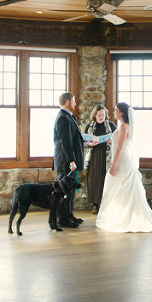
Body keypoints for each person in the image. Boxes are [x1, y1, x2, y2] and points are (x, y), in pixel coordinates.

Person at [95, 102, 152, 233]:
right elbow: (119, 142)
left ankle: (125, 219)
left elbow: (120, 147)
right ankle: (121, 215)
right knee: (120, 188)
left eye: (116, 110)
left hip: (123, 160)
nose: (114, 112)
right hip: (125, 159)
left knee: (121, 188)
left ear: (121, 113)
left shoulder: (123, 126)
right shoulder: (124, 126)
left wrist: (113, 164)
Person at [53, 91, 85, 228]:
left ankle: (69, 215)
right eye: (73, 100)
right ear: (67, 101)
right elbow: (65, 141)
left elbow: (74, 139)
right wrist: (71, 161)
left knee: (70, 190)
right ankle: (62, 219)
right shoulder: (62, 117)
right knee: (64, 190)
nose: (75, 103)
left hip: (70, 160)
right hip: (65, 161)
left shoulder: (68, 116)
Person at [83, 105, 116, 214]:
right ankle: (95, 205)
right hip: (93, 156)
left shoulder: (111, 125)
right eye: (99, 115)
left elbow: (119, 139)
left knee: (105, 179)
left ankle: (106, 204)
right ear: (95, 115)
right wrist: (90, 143)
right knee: (94, 180)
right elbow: (83, 142)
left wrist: (112, 141)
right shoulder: (90, 126)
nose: (101, 117)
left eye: (103, 114)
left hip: (107, 156)